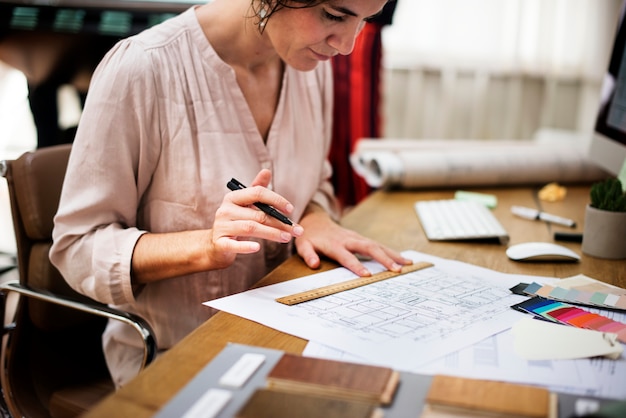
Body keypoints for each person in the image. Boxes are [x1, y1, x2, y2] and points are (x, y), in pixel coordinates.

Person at [50, 0, 411, 388]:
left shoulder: (311, 64)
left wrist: (315, 217)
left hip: (289, 342)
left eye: (364, 21)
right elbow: (77, 248)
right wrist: (205, 247)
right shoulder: (143, 68)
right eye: (335, 16)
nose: (347, 46)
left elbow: (316, 177)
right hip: (177, 360)